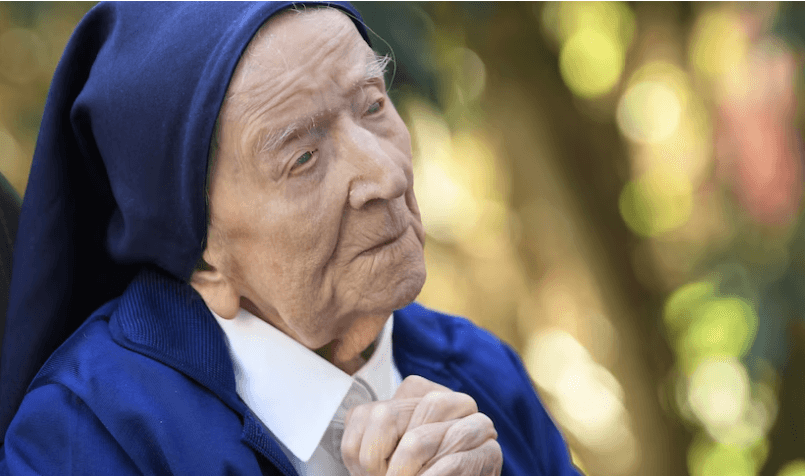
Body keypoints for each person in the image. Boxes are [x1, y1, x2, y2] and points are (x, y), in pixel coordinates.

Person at [0, 3, 581, 475]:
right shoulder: (91, 437)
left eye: (374, 105)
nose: (385, 175)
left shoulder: (476, 368)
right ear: (202, 258)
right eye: (303, 156)